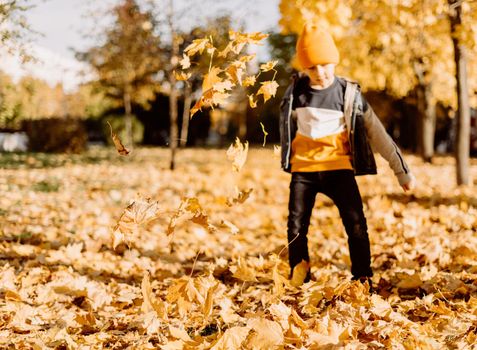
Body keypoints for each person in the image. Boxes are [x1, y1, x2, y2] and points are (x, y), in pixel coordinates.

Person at [279, 23, 416, 288]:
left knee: (356, 224)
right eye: (312, 67)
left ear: (334, 60)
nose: (319, 73)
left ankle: (362, 277)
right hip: (304, 171)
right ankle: (299, 278)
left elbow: (378, 134)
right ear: (303, 68)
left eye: (325, 64)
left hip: (338, 169)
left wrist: (402, 172)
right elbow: (287, 127)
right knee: (296, 228)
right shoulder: (296, 93)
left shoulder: (348, 94)